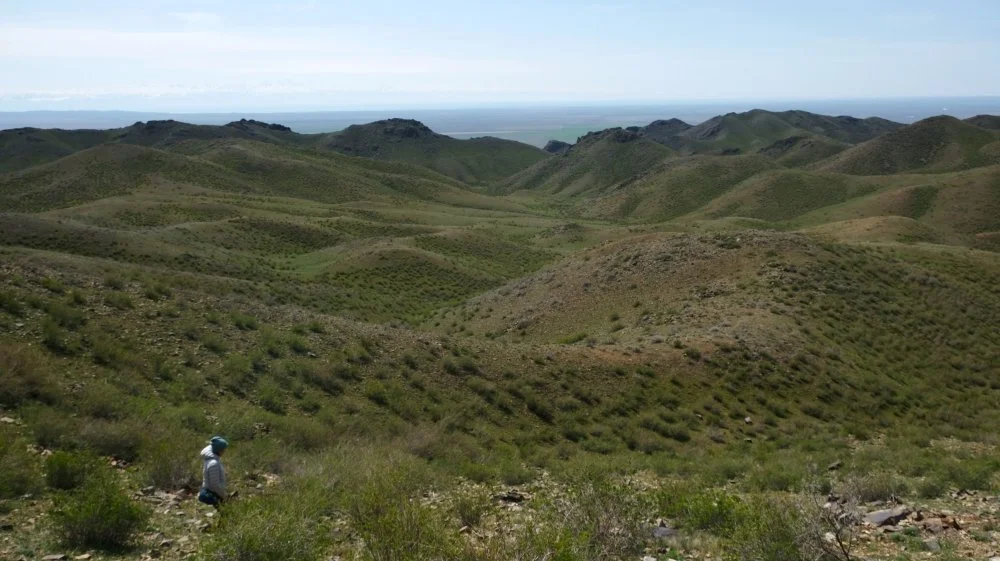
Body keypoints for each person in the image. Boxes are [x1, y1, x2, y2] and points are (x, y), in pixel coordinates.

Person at [198, 436, 228, 507]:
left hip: (213, 492)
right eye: (224, 449)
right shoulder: (214, 463)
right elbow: (215, 484)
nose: (225, 451)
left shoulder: (211, 460)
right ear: (220, 450)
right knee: (225, 513)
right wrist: (224, 496)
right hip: (213, 493)